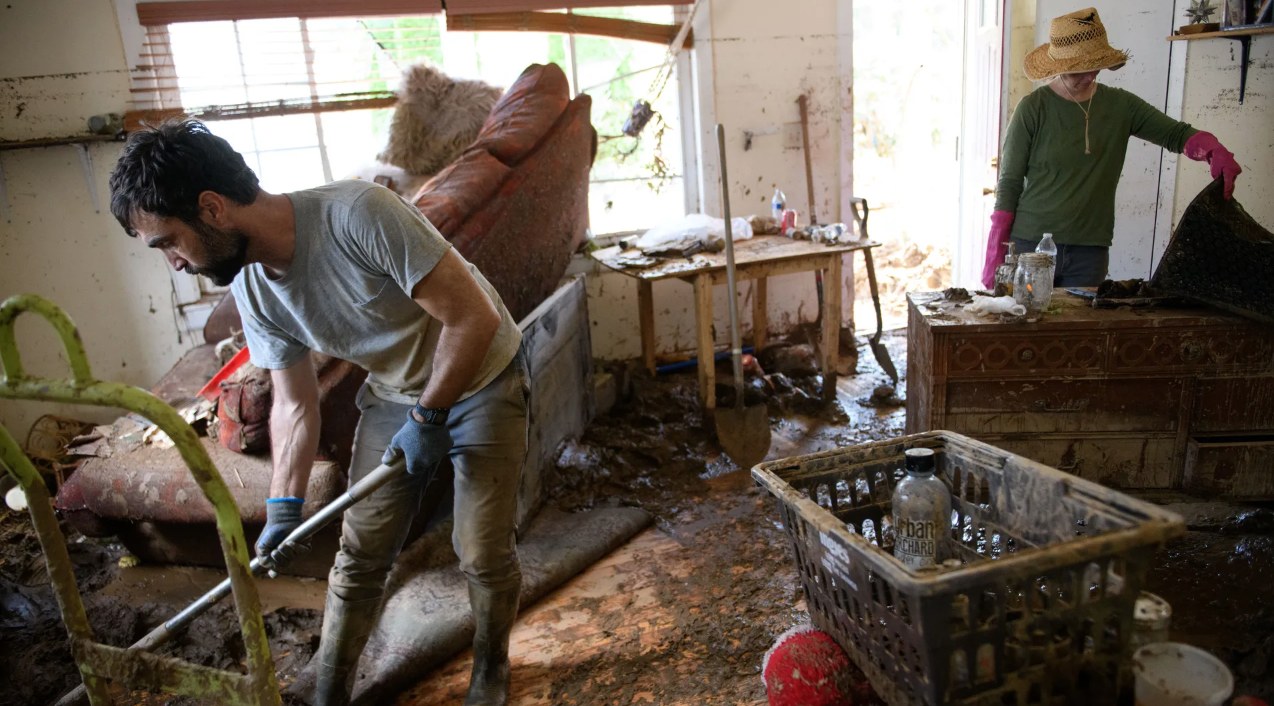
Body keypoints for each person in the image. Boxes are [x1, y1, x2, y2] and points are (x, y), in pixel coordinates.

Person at [108, 120, 528, 706]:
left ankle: (491, 667)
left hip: (483, 374)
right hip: (396, 393)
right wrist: (284, 505)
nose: (174, 264)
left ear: (211, 207)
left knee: (481, 550)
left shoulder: (360, 214)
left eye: (169, 242)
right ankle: (329, 693)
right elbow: (295, 400)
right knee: (359, 556)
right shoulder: (253, 287)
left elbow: (473, 318)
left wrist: (430, 417)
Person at [982, 7, 1243, 288]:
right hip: (1031, 246)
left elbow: (1175, 134)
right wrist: (996, 248)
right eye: (1080, 68)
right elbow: (1009, 181)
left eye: (1095, 66)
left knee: (1081, 331)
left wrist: (1213, 150)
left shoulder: (1121, 106)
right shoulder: (1033, 109)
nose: (1090, 75)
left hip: (1089, 251)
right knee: (1027, 328)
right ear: (1060, 65)